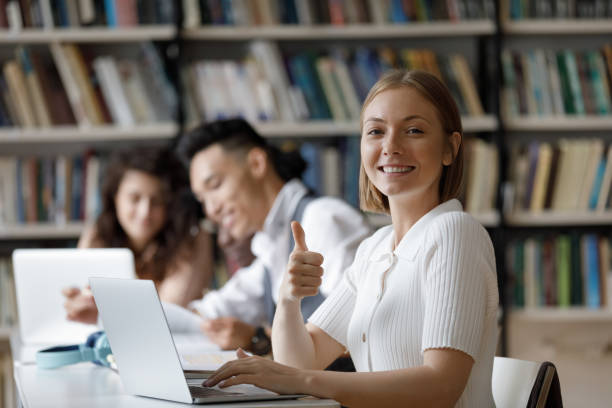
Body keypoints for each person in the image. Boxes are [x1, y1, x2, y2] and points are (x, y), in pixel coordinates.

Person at [202, 70, 500, 407]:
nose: (390, 147)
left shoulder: (454, 232)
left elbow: (441, 385)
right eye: (376, 131)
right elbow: (300, 361)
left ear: (450, 148)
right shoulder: (374, 250)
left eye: (414, 130)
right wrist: (288, 300)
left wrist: (302, 380)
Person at [176, 118, 372, 355]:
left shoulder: (323, 219)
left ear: (257, 163)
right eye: (202, 200)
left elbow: (360, 331)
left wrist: (260, 339)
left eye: (215, 185)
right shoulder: (270, 244)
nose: (211, 210)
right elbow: (214, 310)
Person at [63, 147, 214, 324]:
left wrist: (103, 312)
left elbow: (167, 314)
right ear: (115, 198)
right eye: (134, 199)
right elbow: (79, 301)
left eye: (156, 201)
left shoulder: (193, 237)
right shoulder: (98, 233)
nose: (145, 212)